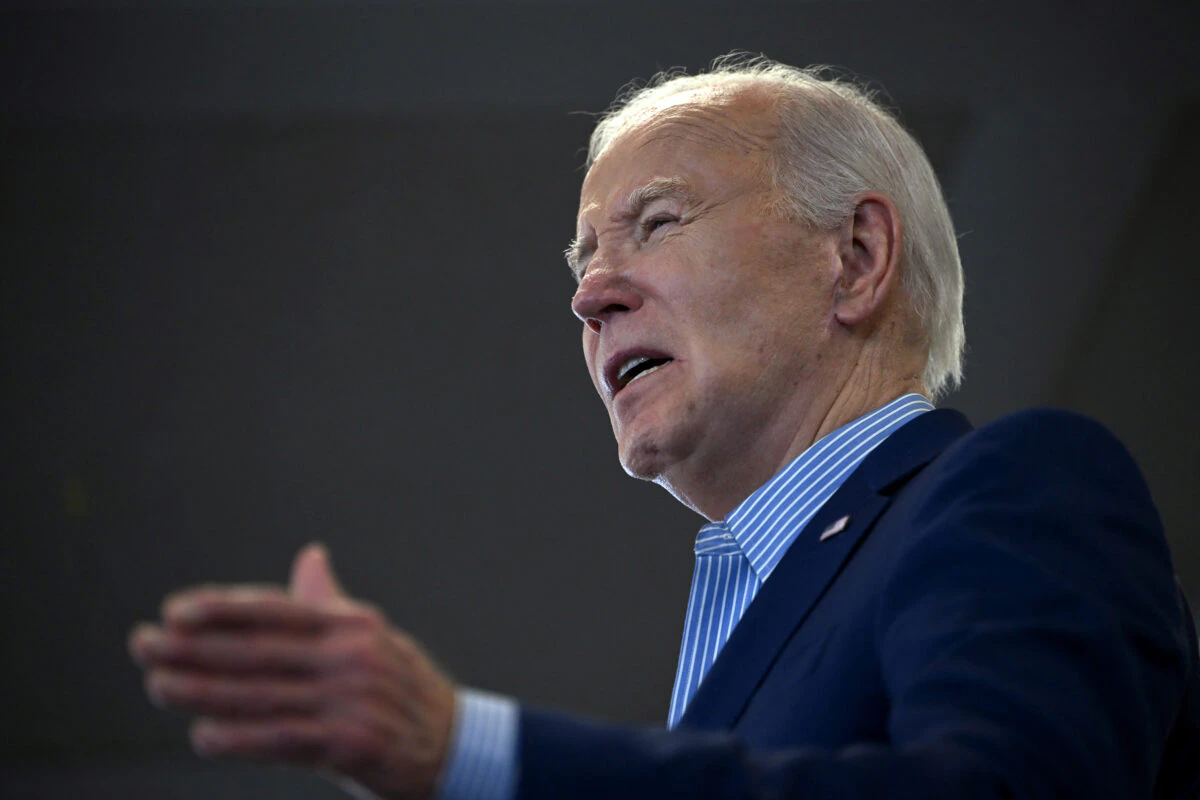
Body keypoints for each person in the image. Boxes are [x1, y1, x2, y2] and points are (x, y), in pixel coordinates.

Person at [129, 54, 1200, 799]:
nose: (590, 295)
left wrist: (468, 750)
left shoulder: (1015, 488)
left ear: (857, 259)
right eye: (583, 259)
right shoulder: (738, 628)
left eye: (656, 222)